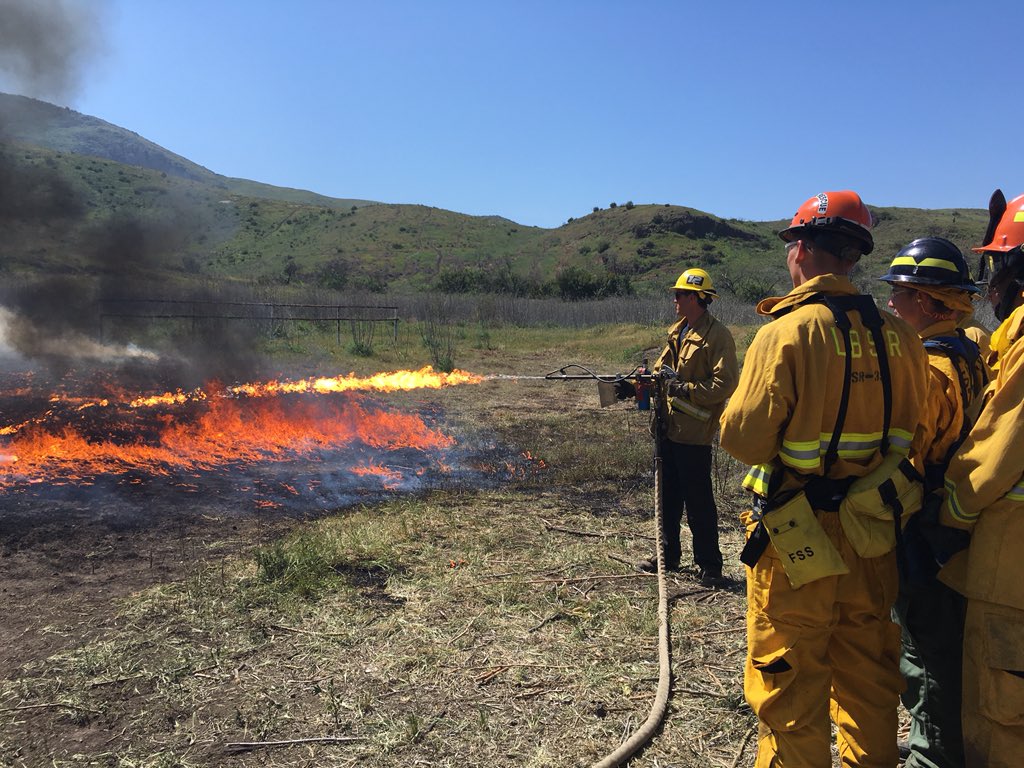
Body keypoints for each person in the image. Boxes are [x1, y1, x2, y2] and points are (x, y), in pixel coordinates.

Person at [719, 190, 930, 767]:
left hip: (797, 537)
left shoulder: (786, 333)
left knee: (789, 684)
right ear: (855, 255)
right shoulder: (903, 337)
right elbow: (918, 429)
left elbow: (742, 439)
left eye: (792, 242)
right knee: (867, 678)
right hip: (873, 532)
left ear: (803, 250)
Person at [878, 237, 989, 768]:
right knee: (948, 647)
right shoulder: (974, 348)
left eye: (899, 293)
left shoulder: (928, 367)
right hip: (959, 527)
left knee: (927, 652)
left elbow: (909, 453)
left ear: (926, 301)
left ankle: (933, 757)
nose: (892, 304)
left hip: (924, 528)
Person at [940, 190, 1024, 767]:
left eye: (997, 264)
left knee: (1002, 715)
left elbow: (997, 452)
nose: (989, 285)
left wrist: (946, 517)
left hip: (1011, 567)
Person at [618, 267, 738, 586]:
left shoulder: (717, 336)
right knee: (668, 498)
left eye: (680, 294)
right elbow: (661, 372)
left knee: (698, 502)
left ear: (698, 298)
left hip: (695, 433)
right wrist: (634, 386)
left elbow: (724, 384)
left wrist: (686, 389)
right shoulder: (678, 331)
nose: (675, 299)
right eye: (675, 294)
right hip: (667, 427)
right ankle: (668, 557)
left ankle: (710, 565)